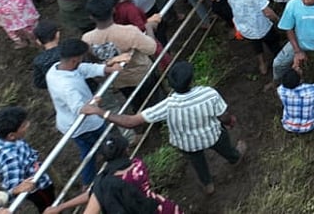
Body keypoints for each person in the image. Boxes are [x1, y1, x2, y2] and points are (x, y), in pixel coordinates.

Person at [83, 61, 246, 194]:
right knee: (225, 147)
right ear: (191, 80)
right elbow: (223, 116)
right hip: (212, 135)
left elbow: (131, 121)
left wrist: (101, 112)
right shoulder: (208, 93)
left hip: (186, 143)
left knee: (197, 161)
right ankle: (235, 158)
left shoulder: (168, 105)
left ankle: (208, 184)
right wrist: (229, 121)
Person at [45, 38, 129, 186]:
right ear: (74, 59)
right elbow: (79, 108)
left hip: (69, 124)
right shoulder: (67, 86)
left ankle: (87, 181)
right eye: (81, 57)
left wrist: (107, 69)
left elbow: (84, 69)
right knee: (101, 145)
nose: (83, 59)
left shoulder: (56, 69)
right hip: (84, 125)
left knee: (88, 152)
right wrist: (98, 109)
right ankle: (117, 167)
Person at [43, 134, 181, 214]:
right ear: (126, 149)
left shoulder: (105, 184)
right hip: (159, 207)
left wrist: (60, 207)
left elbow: (93, 198)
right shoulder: (138, 164)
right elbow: (94, 193)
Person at [207, 0, 283, 76]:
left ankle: (262, 64)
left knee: (255, 44)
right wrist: (278, 20)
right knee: (274, 45)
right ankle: (280, 66)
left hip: (244, 27)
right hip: (262, 27)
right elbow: (267, 12)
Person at [0, 106, 55, 211]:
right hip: (36, 185)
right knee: (48, 205)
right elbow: (14, 187)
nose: (28, 125)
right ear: (11, 136)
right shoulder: (12, 159)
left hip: (19, 165)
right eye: (23, 125)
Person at [277, 65, 314, 134]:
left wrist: (293, 72)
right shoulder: (312, 90)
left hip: (288, 127)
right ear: (301, 80)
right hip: (309, 128)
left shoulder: (281, 90)